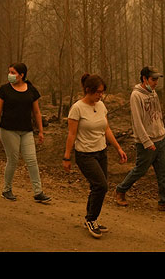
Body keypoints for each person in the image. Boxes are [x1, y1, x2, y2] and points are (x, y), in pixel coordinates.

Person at [63, 73, 128, 238]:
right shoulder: (77, 108)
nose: (100, 95)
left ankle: (90, 218)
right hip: (85, 154)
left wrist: (118, 148)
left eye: (102, 92)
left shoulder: (101, 106)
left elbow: (106, 129)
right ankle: (91, 219)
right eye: (98, 92)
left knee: (97, 187)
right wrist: (67, 157)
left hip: (101, 152)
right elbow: (71, 134)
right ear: (88, 90)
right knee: (101, 186)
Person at [114, 66, 165, 213]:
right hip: (146, 142)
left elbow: (158, 114)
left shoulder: (154, 93)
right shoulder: (136, 95)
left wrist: (163, 131)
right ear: (144, 79)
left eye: (157, 79)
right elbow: (137, 122)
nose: (156, 82)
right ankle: (120, 190)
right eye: (153, 79)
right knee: (140, 170)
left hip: (160, 139)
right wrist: (146, 141)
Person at [0, 62, 51, 204]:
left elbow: (36, 112)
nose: (10, 75)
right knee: (13, 160)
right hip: (8, 129)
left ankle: (38, 192)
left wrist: (41, 131)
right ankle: (7, 190)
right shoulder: (4, 90)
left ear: (22, 75)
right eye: (9, 72)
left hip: (26, 130)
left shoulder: (31, 90)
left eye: (13, 72)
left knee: (32, 160)